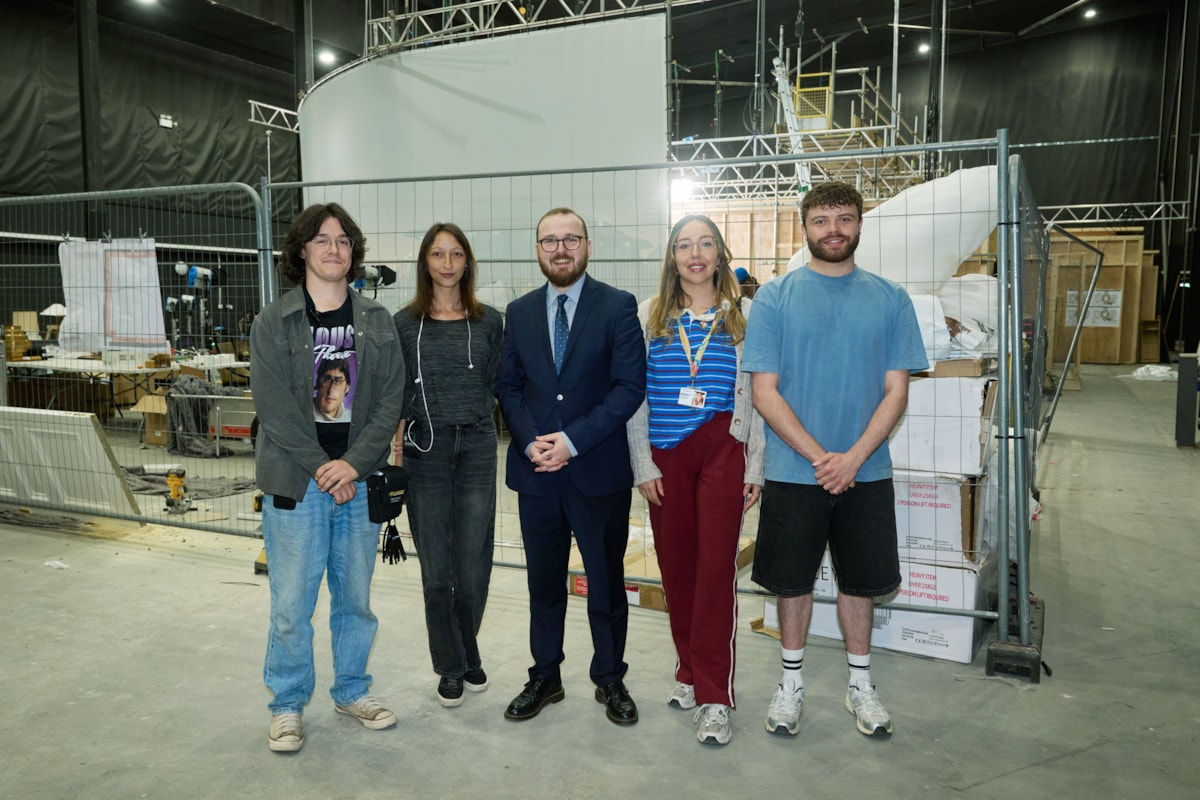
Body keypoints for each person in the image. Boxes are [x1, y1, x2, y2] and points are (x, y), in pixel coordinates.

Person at [742, 181, 928, 739]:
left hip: (866, 472)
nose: (833, 230)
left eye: (844, 219)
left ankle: (860, 685)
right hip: (794, 471)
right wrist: (825, 457)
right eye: (821, 220)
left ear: (859, 226)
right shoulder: (774, 297)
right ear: (805, 227)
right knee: (792, 583)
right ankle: (791, 685)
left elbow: (897, 391)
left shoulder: (891, 299)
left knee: (860, 583)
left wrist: (853, 459)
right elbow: (764, 393)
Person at [250, 202, 406, 753]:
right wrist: (323, 467)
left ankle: (352, 690)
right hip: (297, 483)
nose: (333, 248)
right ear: (301, 251)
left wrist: (354, 464)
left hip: (358, 480)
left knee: (355, 599)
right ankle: (288, 704)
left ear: (353, 252)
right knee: (292, 602)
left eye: (342, 240)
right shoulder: (274, 321)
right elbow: (274, 407)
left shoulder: (377, 320)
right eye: (321, 239)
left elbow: (390, 399)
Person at [496, 207, 646, 726]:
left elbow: (629, 387)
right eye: (549, 241)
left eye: (571, 240)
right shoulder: (517, 313)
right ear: (537, 249)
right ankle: (545, 676)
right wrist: (529, 440)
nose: (560, 249)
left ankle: (610, 678)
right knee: (543, 583)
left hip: (596, 471)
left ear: (587, 245)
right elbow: (509, 387)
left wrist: (572, 441)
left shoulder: (618, 307)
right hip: (536, 473)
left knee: (604, 582)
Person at [626, 215, 765, 746]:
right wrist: (643, 463)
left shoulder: (745, 316)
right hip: (665, 455)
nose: (695, 253)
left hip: (722, 449)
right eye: (684, 245)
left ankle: (714, 695)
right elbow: (634, 396)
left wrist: (754, 466)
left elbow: (757, 396)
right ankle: (689, 668)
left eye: (705, 242)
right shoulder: (649, 315)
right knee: (677, 570)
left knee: (714, 573)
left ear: (720, 253)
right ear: (673, 257)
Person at [391, 223, 504, 709]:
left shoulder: (489, 322)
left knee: (474, 566)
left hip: (478, 446)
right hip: (425, 452)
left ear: (468, 262)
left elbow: (504, 386)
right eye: (437, 254)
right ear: (425, 263)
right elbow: (393, 392)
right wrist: (393, 446)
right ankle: (452, 665)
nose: (447, 263)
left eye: (457, 253)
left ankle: (467, 647)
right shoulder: (403, 324)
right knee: (437, 569)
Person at [313, 357, 352, 422]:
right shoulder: (302, 414)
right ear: (318, 382)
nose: (331, 390)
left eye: (338, 381)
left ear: (347, 388)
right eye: (327, 380)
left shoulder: (351, 418)